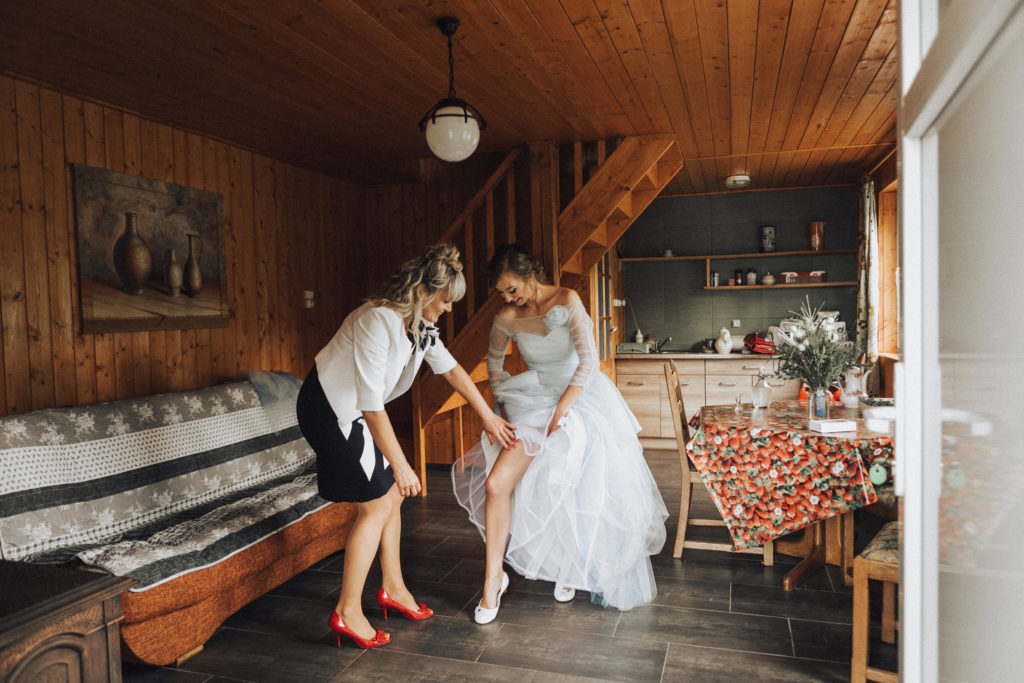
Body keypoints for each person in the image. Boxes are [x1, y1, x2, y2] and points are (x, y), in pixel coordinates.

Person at [296, 244, 515, 649]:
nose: (449, 309)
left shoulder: (419, 326)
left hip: (352, 411)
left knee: (390, 498)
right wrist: (402, 465)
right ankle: (346, 612)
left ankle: (392, 588)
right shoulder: (377, 321)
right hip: (328, 411)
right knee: (379, 503)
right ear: (422, 291)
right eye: (445, 301)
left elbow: (452, 371)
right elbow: (372, 408)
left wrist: (487, 416)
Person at [453, 244, 667, 624]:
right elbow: (494, 366)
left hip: (579, 397)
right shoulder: (506, 316)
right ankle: (492, 580)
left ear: (530, 276)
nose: (506, 298)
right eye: (502, 292)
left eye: (511, 289)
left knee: (574, 481)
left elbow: (589, 361)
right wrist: (504, 407)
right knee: (496, 484)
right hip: (531, 401)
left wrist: (564, 409)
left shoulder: (567, 299)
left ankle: (569, 568)